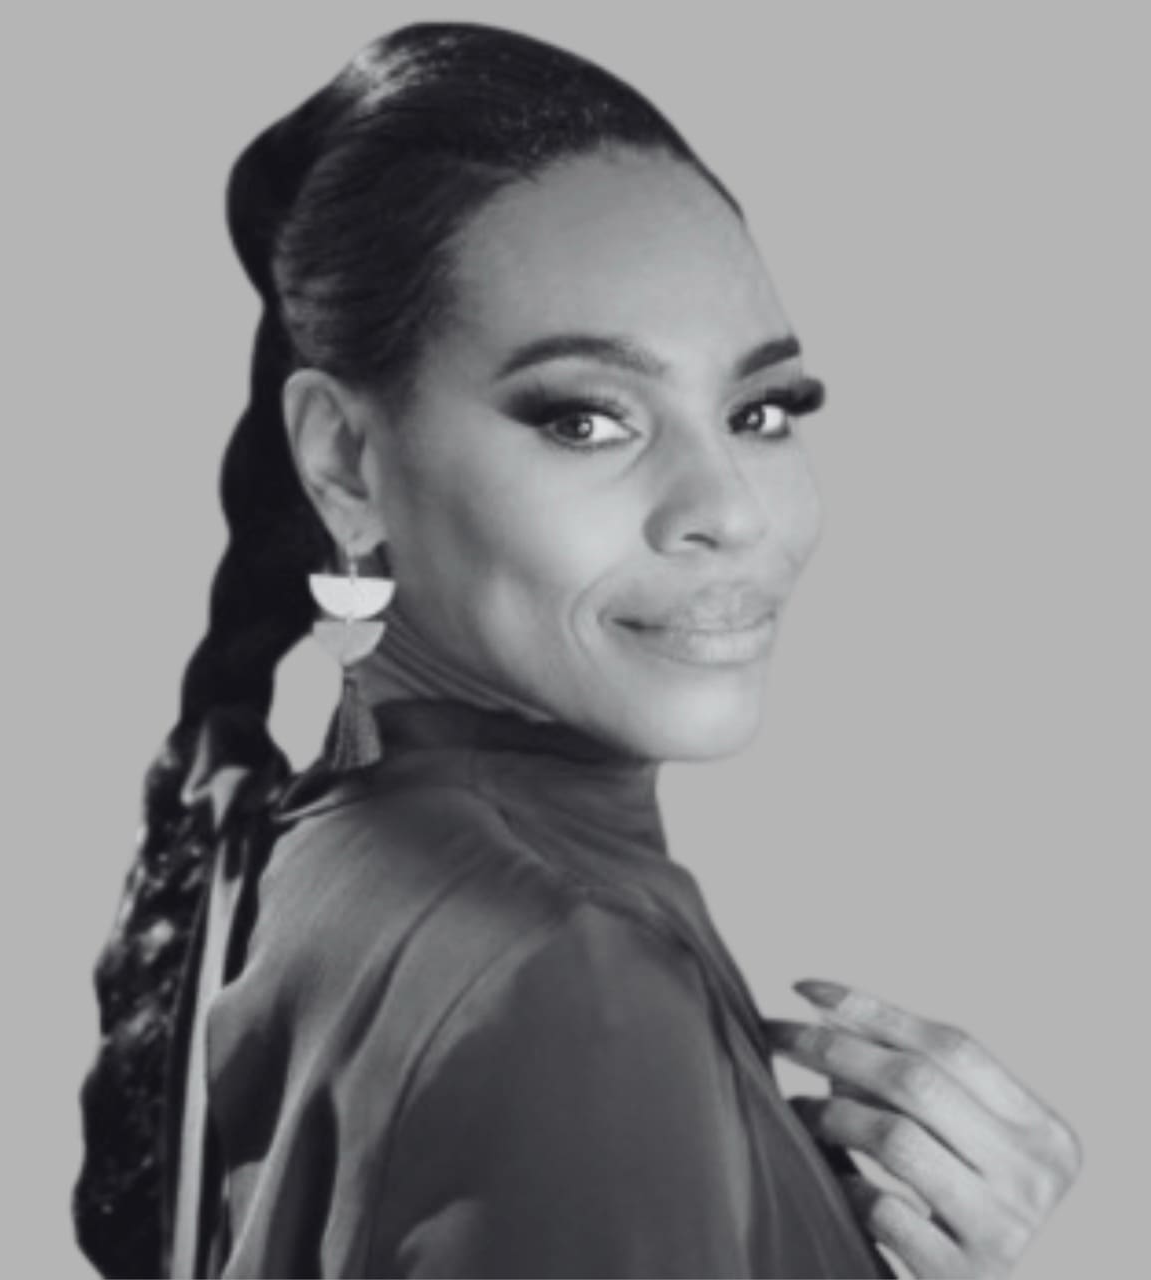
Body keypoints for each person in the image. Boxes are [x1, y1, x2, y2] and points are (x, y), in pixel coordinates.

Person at [73, 21, 1083, 1279]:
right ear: (343, 457)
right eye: (587, 417)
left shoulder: (314, 850)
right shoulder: (572, 982)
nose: (729, 507)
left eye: (758, 410)